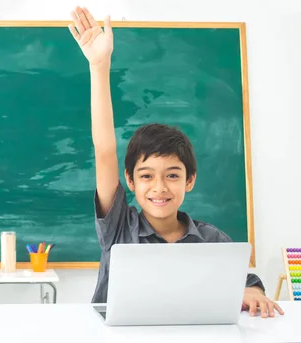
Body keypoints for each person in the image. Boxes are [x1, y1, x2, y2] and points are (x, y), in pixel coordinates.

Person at [68, 6, 283, 318]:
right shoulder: (118, 229)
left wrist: (252, 291)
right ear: (130, 181)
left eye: (172, 175)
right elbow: (104, 149)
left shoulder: (212, 240)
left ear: (189, 180)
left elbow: (248, 281)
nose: (159, 187)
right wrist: (99, 68)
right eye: (146, 176)